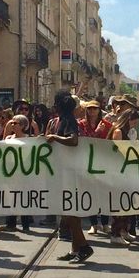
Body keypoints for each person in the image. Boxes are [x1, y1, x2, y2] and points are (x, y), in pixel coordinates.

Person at [50, 90, 94, 264]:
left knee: (71, 212)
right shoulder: (63, 119)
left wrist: (55, 137)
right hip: (63, 170)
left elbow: (73, 140)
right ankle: (76, 249)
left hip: (69, 172)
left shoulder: (68, 120)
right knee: (68, 212)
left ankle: (83, 247)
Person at [107, 108, 139, 245]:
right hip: (118, 171)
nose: (135, 125)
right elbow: (117, 151)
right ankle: (115, 233)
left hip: (127, 170)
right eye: (133, 122)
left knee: (128, 201)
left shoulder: (130, 132)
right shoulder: (118, 132)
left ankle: (124, 231)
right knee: (120, 202)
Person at [78, 100, 112, 235]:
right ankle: (94, 224)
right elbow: (83, 141)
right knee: (90, 194)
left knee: (104, 194)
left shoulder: (108, 125)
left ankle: (105, 223)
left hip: (103, 164)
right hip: (87, 163)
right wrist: (97, 132)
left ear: (99, 110)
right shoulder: (81, 124)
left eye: (95, 109)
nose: (92, 111)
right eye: (90, 109)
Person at [4, 114, 33, 232]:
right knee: (10, 196)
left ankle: (26, 224)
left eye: (14, 123)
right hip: (11, 171)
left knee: (23, 197)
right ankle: (11, 223)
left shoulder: (29, 139)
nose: (12, 125)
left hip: (23, 172)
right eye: (11, 122)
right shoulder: (9, 138)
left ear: (22, 126)